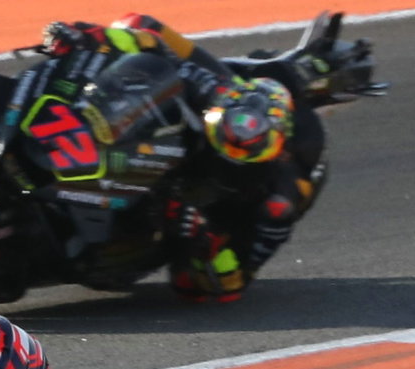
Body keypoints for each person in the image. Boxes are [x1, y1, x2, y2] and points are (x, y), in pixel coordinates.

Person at [41, 14, 327, 301]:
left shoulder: (277, 200)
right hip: (158, 159)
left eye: (240, 155)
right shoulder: (222, 94)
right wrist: (92, 37)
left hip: (189, 221)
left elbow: (231, 285)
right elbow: (150, 38)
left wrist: (204, 242)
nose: (231, 156)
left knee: (189, 284)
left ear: (274, 151)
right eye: (224, 143)